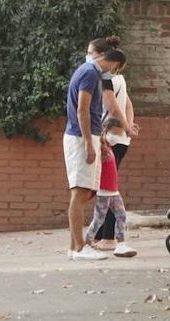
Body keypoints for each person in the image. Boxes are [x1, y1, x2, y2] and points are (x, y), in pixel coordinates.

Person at [64, 46, 125, 260]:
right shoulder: (90, 73)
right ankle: (81, 247)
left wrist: (97, 142)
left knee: (82, 192)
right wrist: (90, 143)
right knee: (79, 193)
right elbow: (83, 109)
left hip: (83, 137)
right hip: (80, 138)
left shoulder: (87, 71)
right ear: (115, 64)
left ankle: (74, 247)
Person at [95, 37, 139, 249]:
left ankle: (108, 237)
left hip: (110, 138)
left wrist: (125, 127)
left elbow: (112, 109)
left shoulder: (107, 80)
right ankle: (103, 235)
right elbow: (129, 106)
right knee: (107, 187)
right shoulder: (121, 80)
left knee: (107, 189)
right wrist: (129, 126)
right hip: (121, 139)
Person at [84, 116, 137, 258]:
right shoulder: (100, 147)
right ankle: (86, 242)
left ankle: (120, 244)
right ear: (106, 131)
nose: (118, 137)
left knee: (121, 215)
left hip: (114, 190)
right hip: (103, 191)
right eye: (116, 134)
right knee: (98, 220)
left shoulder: (109, 146)